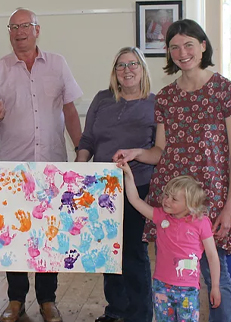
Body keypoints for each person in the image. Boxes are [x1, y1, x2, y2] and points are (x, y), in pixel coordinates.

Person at [114, 19, 231, 322]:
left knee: (220, 279)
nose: (182, 52)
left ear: (203, 46)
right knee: (174, 277)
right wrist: (136, 153)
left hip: (213, 200)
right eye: (174, 47)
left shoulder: (224, 91)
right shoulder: (165, 97)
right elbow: (160, 152)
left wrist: (229, 207)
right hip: (173, 202)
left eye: (189, 44)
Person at [0, 8, 83, 322]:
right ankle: (15, 299)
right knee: (12, 235)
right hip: (12, 170)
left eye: (25, 25)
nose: (19, 32)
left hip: (53, 166)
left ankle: (48, 300)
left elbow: (69, 112)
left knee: (49, 234)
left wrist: (82, 154)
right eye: (13, 27)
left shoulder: (58, 63)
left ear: (37, 29)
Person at [76, 46, 155, 322]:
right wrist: (78, 167)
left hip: (138, 186)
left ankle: (140, 314)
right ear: (114, 73)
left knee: (133, 252)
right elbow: (87, 141)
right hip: (102, 189)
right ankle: (116, 310)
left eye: (133, 64)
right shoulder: (101, 99)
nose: (127, 70)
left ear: (143, 69)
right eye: (121, 66)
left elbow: (160, 150)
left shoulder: (154, 103)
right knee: (107, 250)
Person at [118, 164, 221, 321]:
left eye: (174, 199)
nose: (166, 200)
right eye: (166, 195)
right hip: (161, 287)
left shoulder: (201, 223)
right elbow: (135, 200)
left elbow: (213, 256)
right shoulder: (160, 216)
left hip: (189, 290)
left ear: (190, 204)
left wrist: (215, 286)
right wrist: (128, 175)